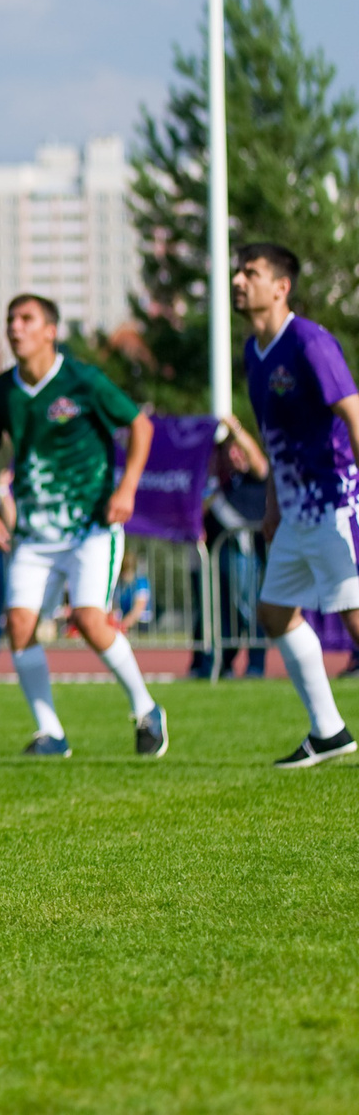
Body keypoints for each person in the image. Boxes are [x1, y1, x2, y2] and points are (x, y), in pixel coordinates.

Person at [0, 292, 165, 760]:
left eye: (26, 319)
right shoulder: (0, 391)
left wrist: (127, 488)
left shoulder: (82, 379)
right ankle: (51, 733)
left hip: (90, 527)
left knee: (88, 619)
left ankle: (146, 709)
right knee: (19, 625)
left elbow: (140, 426)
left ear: (50, 331)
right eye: (10, 318)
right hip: (34, 533)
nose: (15, 327)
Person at [230, 244, 359, 767]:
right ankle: (328, 732)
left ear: (280, 287)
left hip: (334, 503)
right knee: (275, 612)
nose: (239, 280)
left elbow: (353, 413)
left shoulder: (309, 341)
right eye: (238, 272)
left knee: (355, 619)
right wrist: (272, 505)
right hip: (296, 509)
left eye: (251, 272)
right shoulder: (252, 351)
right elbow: (275, 434)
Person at [195, 421, 270, 681]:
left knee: (248, 608)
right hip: (220, 553)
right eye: (230, 450)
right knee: (223, 613)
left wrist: (234, 427)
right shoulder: (223, 485)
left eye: (238, 449)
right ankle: (222, 664)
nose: (235, 455)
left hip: (245, 551)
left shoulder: (256, 476)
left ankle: (256, 666)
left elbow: (257, 460)